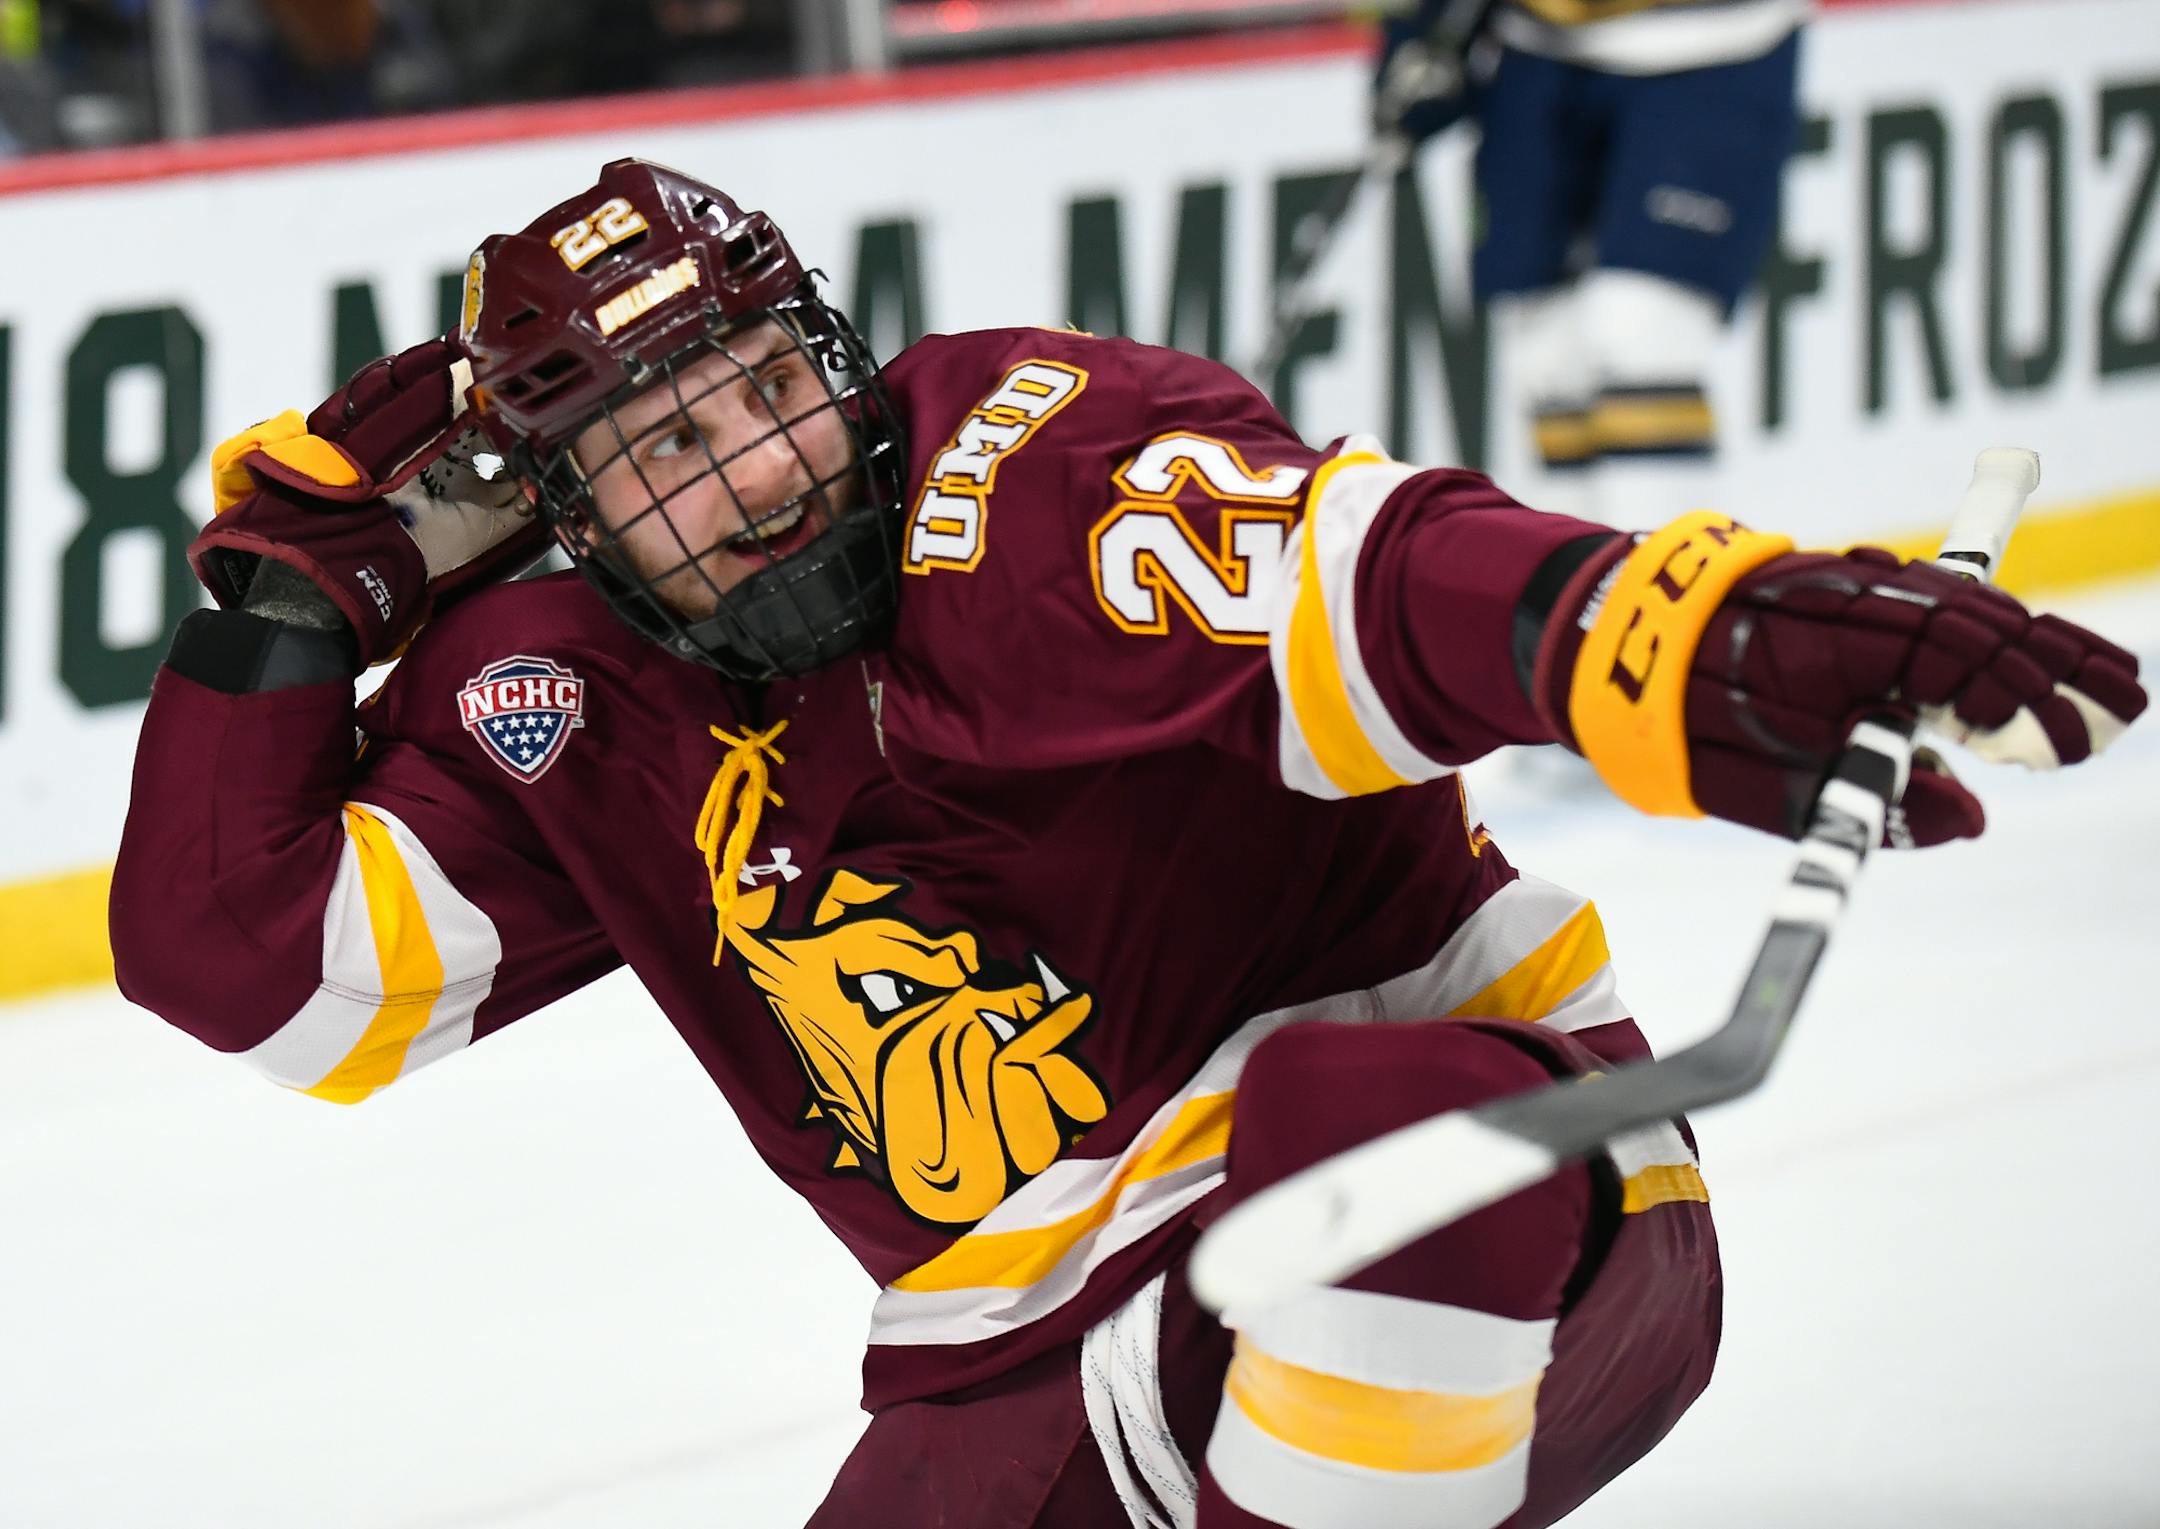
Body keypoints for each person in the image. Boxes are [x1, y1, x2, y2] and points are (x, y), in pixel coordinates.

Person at [111, 160, 2142, 1529]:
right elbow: (250, 966)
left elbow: (1365, 568)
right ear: (562, 505)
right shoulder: (558, 682)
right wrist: (293, 596)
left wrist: (1662, 625)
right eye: (661, 451)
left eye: (761, 393)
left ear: (832, 354)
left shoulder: (1030, 465)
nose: (752, 478)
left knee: (1367, 1118)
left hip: (1488, 1219)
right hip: (1029, 1360)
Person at [1379, 0, 1809, 531]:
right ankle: (1579, 600)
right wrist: (1417, 28)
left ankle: (1673, 596)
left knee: (1642, 333)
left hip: (1717, 43)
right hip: (1537, 47)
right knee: (1546, 353)